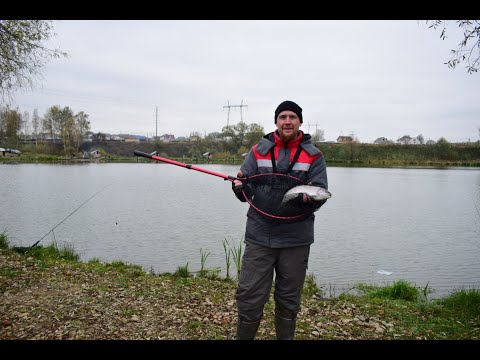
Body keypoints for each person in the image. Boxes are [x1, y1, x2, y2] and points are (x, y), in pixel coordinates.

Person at [231, 100, 329, 340]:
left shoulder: (314, 156)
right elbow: (246, 194)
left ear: (300, 122)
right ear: (276, 121)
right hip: (259, 235)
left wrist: (311, 199)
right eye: (283, 117)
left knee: (288, 298)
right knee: (249, 295)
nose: (287, 121)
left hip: (296, 238)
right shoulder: (257, 151)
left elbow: (322, 192)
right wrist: (238, 187)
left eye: (292, 117)